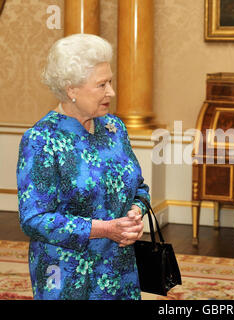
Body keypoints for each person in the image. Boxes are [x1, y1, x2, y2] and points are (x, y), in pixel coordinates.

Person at [16, 34, 150, 300]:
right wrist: (104, 229)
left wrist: (135, 213)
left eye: (110, 82)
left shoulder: (114, 128)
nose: (111, 92)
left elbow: (140, 188)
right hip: (66, 274)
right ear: (71, 89)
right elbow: (34, 220)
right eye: (101, 85)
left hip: (119, 267)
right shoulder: (42, 140)